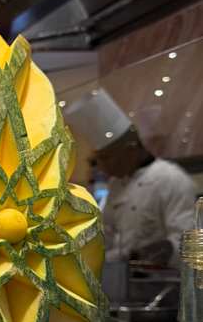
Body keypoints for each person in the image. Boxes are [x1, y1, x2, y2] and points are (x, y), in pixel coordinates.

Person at [65, 88, 197, 266]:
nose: (102, 167)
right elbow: (106, 236)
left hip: (164, 281)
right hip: (124, 278)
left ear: (131, 149)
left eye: (106, 157)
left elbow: (189, 240)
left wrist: (166, 249)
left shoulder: (172, 180)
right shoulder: (116, 184)